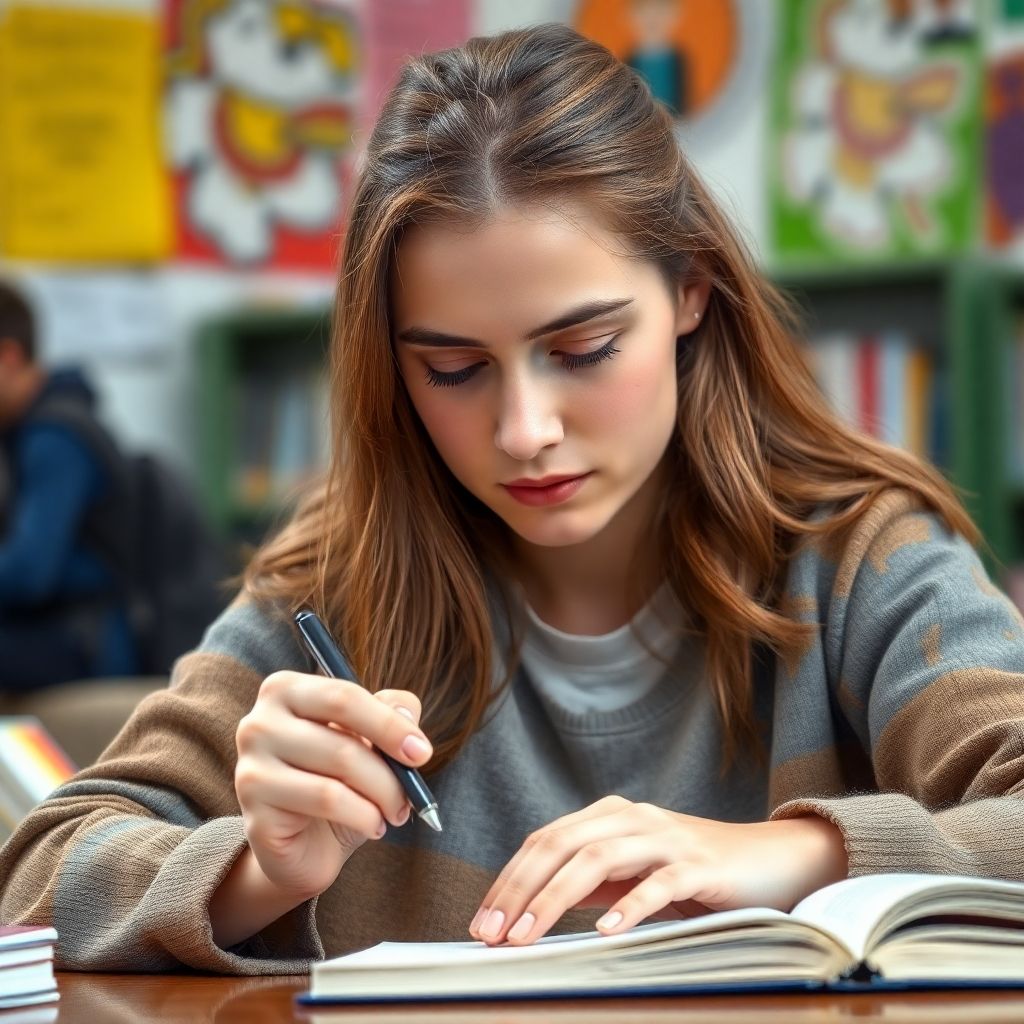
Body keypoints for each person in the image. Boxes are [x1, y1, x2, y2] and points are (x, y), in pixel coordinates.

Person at [1, 22, 1022, 974]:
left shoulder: (855, 552)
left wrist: (790, 852)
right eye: (452, 369)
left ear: (691, 290)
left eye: (581, 349)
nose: (523, 430)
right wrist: (257, 871)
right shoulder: (337, 578)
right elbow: (36, 878)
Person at [0, 282, 139, 692]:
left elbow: (30, 572)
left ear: (8, 357)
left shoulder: (55, 437)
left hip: (91, 642)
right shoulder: (24, 432)